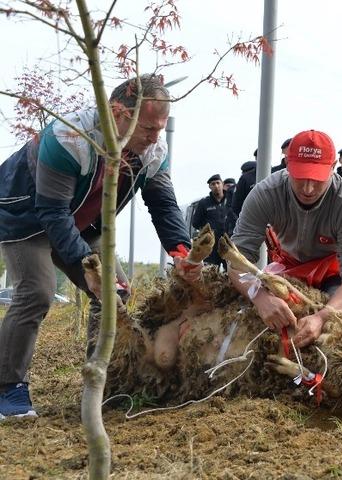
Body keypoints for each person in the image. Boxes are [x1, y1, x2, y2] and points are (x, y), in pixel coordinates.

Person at [0, 74, 198, 420]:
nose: (155, 137)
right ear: (118, 112)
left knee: (115, 292)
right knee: (37, 292)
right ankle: (8, 387)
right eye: (148, 128)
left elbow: (163, 205)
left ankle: (101, 379)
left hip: (83, 223)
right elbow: (52, 212)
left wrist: (183, 253)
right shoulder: (69, 138)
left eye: (160, 129)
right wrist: (86, 266)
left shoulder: (152, 152)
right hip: (27, 216)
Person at [230, 130, 342, 347]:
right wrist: (261, 299)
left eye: (317, 179)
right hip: (289, 266)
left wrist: (322, 317)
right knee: (254, 324)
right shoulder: (266, 193)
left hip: (335, 272)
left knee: (336, 335)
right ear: (287, 163)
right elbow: (236, 259)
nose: (308, 188)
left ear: (333, 168)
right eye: (300, 176)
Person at [191, 174, 233, 268]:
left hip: (228, 244)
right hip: (211, 247)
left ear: (222, 184)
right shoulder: (204, 203)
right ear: (210, 187)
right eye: (213, 184)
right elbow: (195, 223)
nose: (216, 186)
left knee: (231, 273)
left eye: (218, 183)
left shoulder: (231, 200)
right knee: (210, 274)